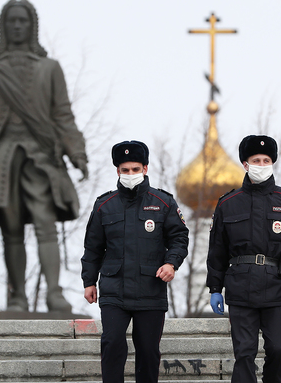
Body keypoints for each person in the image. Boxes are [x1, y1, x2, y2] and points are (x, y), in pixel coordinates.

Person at [0, 0, 88, 312]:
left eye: (23, 20)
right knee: (10, 227)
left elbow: (63, 114)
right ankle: (17, 297)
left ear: (32, 25)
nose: (18, 25)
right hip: (1, 157)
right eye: (12, 21)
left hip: (41, 157)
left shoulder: (49, 69)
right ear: (4, 26)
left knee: (44, 222)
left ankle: (54, 292)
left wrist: (76, 151)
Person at [206, 135, 281, 383]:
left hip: (277, 285)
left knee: (279, 350)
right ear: (245, 164)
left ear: (273, 163)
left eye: (266, 160)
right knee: (244, 353)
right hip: (240, 286)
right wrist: (215, 287)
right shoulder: (228, 203)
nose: (261, 164)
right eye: (256, 160)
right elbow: (217, 250)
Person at [82, 140, 189, 383]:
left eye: (135, 169)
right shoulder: (104, 205)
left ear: (145, 168)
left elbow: (179, 238)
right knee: (111, 344)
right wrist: (89, 281)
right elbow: (92, 248)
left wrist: (171, 263)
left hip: (150, 289)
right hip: (113, 290)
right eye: (125, 170)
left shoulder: (163, 203)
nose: (131, 174)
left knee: (149, 352)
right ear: (117, 171)